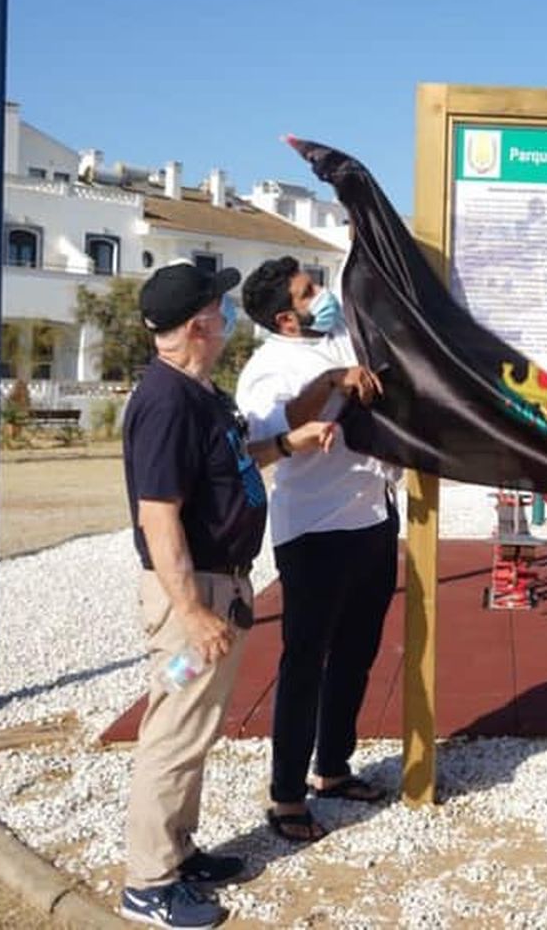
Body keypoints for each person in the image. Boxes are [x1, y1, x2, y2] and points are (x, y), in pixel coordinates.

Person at [120, 262, 379, 928]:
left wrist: (289, 441)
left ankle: (180, 850)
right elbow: (159, 516)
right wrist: (194, 612)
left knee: (190, 723)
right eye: (218, 306)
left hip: (221, 584)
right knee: (174, 730)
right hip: (195, 598)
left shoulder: (199, 394)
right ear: (199, 323)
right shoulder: (166, 403)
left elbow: (239, 457)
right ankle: (148, 883)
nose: (226, 314)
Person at [237, 256, 403, 844]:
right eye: (311, 293)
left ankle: (333, 768)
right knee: (305, 663)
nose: (323, 295)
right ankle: (286, 796)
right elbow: (269, 434)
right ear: (285, 318)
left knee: (358, 653)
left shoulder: (339, 334)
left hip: (375, 516)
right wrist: (332, 382)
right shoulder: (266, 369)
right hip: (314, 532)